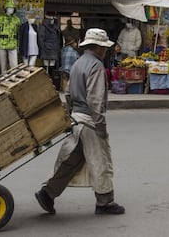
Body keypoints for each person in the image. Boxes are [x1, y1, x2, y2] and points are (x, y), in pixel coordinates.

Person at [35, 28, 125, 215]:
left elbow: (67, 93)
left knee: (71, 160)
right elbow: (95, 100)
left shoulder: (78, 63)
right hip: (90, 121)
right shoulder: (96, 66)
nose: (105, 51)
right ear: (99, 48)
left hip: (76, 118)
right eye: (105, 48)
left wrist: (70, 114)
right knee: (101, 161)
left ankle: (47, 193)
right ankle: (105, 202)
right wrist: (101, 126)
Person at [0, 0, 21, 73]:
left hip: (13, 43)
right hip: (2, 43)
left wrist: (18, 44)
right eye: (9, 8)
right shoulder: (0, 18)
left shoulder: (17, 20)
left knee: (14, 65)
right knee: (2, 65)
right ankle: (4, 78)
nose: (11, 9)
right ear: (5, 8)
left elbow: (18, 32)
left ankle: (13, 78)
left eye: (12, 8)